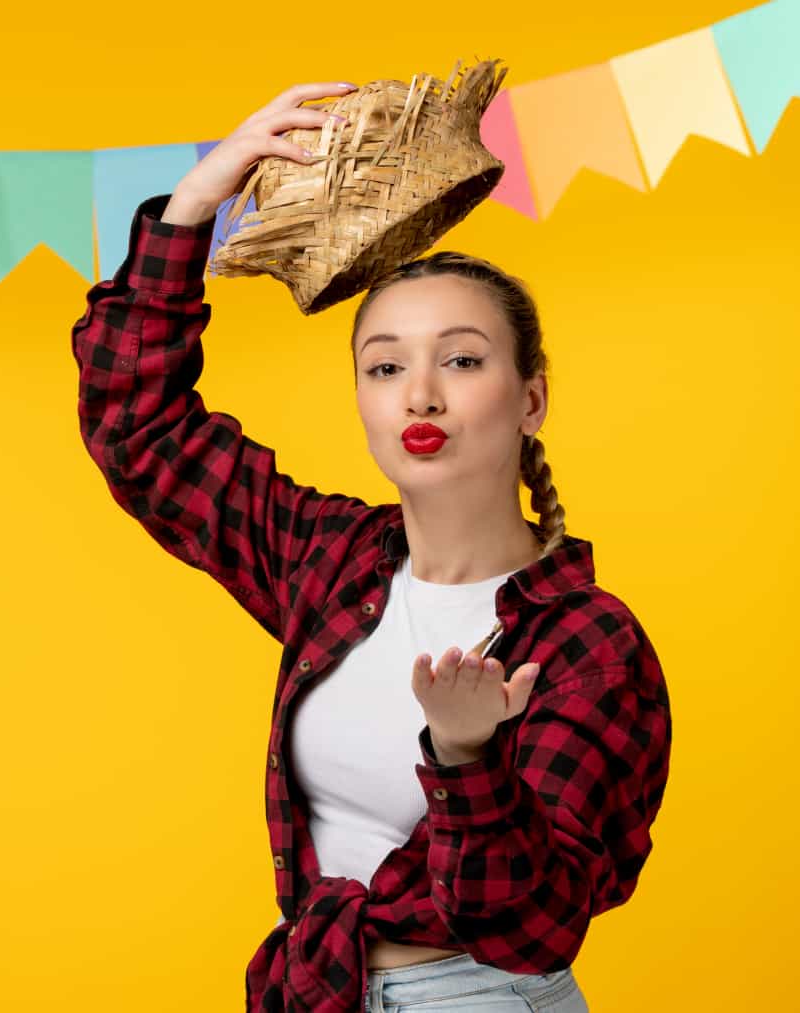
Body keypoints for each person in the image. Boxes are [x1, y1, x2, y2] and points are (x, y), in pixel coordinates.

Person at [70, 81, 672, 1013]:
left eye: (462, 359)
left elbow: (537, 924)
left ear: (532, 399)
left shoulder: (589, 644)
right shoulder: (332, 560)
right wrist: (193, 206)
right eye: (386, 366)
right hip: (324, 991)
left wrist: (468, 759)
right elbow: (137, 429)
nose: (419, 394)